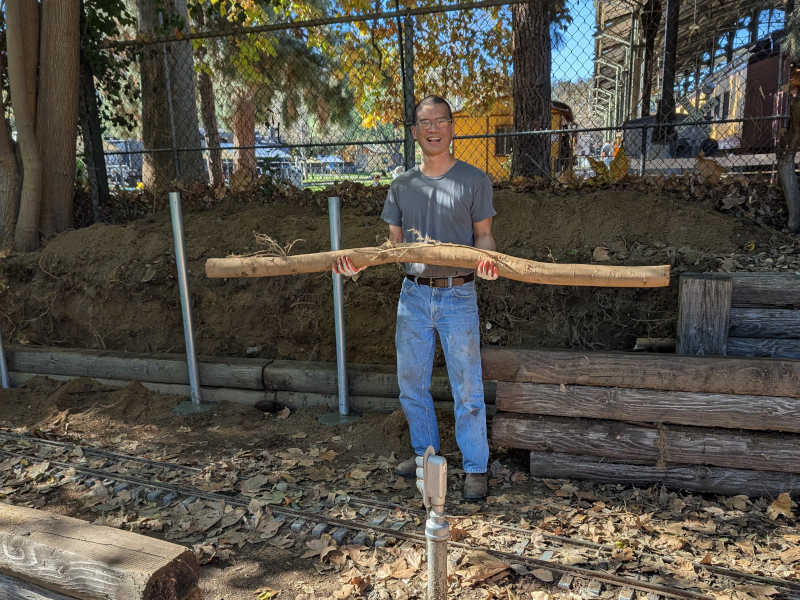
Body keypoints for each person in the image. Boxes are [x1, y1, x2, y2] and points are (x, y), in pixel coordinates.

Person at [333, 95, 498, 500]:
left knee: (467, 387)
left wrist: (487, 260)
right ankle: (426, 457)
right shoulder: (402, 185)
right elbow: (393, 247)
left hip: (458, 294)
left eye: (441, 121)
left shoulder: (474, 180)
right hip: (414, 296)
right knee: (411, 384)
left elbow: (484, 236)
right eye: (425, 122)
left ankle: (475, 466)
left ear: (452, 128)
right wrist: (361, 264)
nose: (433, 128)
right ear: (414, 132)